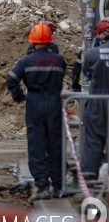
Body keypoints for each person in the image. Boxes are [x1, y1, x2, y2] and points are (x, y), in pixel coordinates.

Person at [7, 22, 67, 200]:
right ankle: (58, 186)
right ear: (50, 40)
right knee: (56, 144)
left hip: (35, 103)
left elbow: (11, 79)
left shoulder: (26, 61)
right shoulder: (59, 60)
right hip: (54, 103)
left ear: (32, 41)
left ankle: (42, 187)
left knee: (37, 144)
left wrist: (19, 96)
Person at [81, 17, 109, 178]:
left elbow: (86, 72)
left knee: (94, 141)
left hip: (97, 101)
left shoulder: (94, 53)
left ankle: (89, 177)